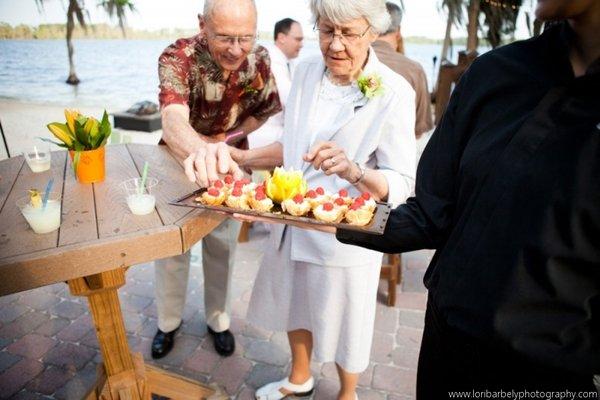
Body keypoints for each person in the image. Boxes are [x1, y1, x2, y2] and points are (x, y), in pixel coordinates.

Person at [335, 0, 600, 398]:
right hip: (448, 347)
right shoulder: (495, 72)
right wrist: (335, 215)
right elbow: (432, 213)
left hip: (554, 375)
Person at [188, 0, 416, 397]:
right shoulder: (307, 70)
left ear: (373, 33)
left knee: (348, 322)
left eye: (349, 33)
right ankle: (300, 376)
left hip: (342, 234)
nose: (335, 45)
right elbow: (291, 147)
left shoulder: (394, 91)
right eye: (327, 30)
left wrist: (353, 170)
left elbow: (401, 182)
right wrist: (241, 157)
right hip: (290, 222)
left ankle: (348, 394)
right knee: (295, 304)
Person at [153, 0, 281, 359]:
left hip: (232, 166)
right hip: (177, 162)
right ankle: (167, 323)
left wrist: (224, 141)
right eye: (225, 38)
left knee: (223, 246)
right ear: (202, 25)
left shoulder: (260, 59)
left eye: (246, 38)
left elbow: (264, 110)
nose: (236, 49)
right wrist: (202, 150)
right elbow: (173, 119)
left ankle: (218, 321)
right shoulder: (178, 56)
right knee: (172, 248)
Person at [373, 2, 433, 139]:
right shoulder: (414, 70)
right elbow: (419, 129)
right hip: (396, 153)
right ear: (398, 31)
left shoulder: (350, 63)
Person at [249, 18, 304, 149]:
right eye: (298, 39)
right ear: (281, 38)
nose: (302, 44)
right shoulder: (271, 62)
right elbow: (292, 99)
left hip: (271, 129)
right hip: (263, 132)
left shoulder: (285, 62)